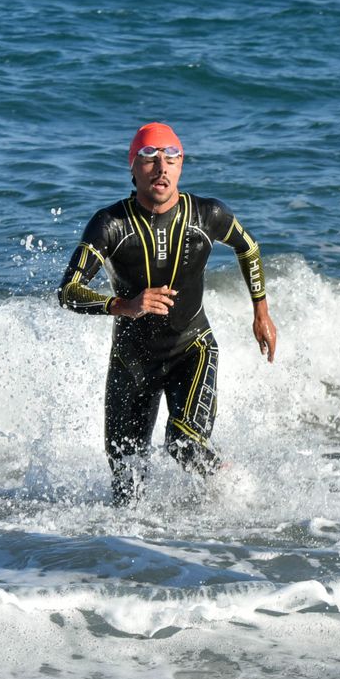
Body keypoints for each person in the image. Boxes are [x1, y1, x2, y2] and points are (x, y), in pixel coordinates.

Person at [58, 122, 278, 505]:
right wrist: (125, 306)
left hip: (191, 349)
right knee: (126, 484)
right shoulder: (110, 224)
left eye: (171, 157)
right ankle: (134, 556)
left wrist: (261, 311)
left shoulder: (207, 215)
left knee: (185, 444)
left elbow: (249, 248)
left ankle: (237, 499)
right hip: (132, 361)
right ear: (133, 167)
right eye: (149, 157)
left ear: (181, 166)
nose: (161, 167)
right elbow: (68, 291)